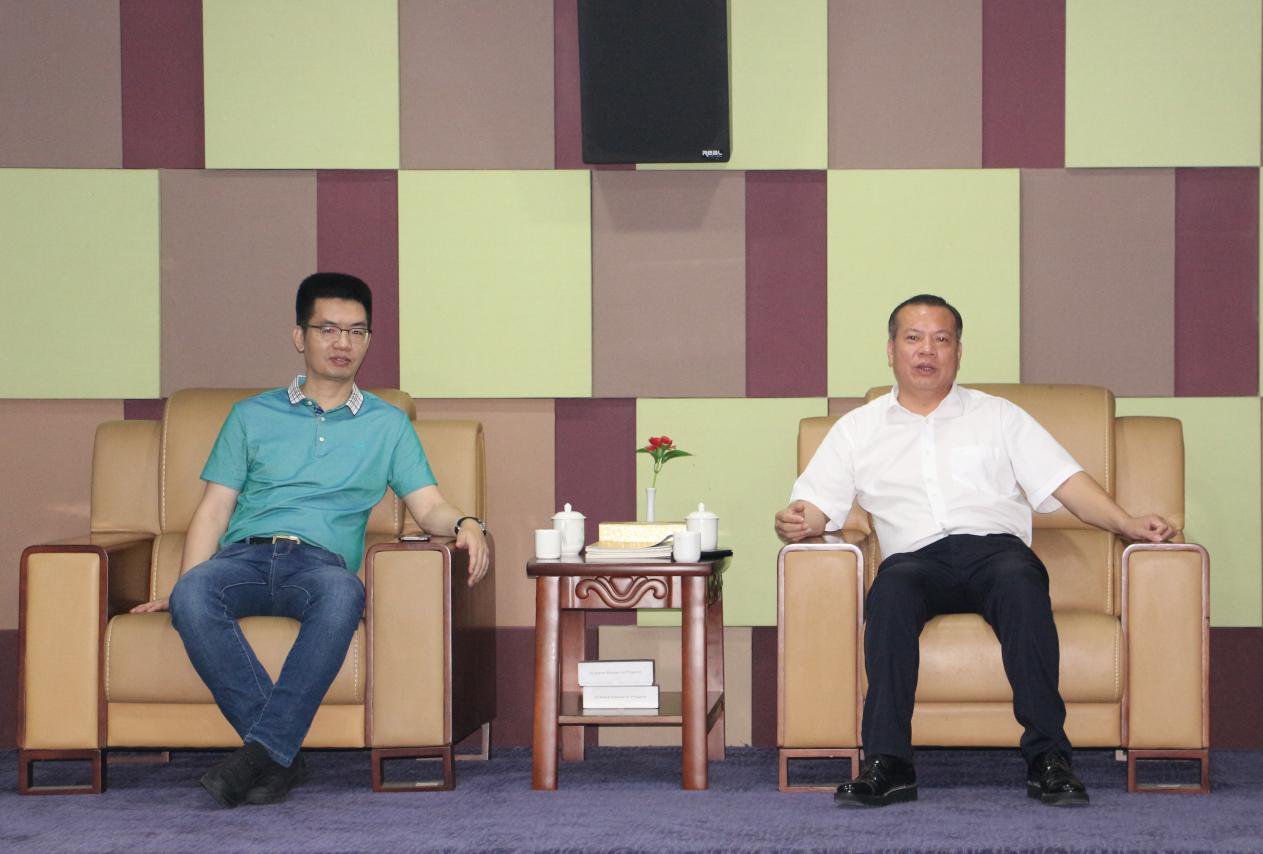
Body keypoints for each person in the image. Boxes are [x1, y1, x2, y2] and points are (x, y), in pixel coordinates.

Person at [774, 294, 1174, 809]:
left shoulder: (997, 416)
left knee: (1022, 585)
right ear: (891, 350)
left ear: (958, 352)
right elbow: (813, 504)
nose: (927, 350)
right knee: (889, 593)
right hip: (914, 559)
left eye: (941, 339)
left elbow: (1064, 480)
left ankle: (1049, 760)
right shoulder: (857, 429)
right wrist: (796, 520)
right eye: (913, 338)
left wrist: (1127, 524)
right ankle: (889, 764)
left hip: (996, 553)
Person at [131, 272, 490, 808]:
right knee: (193, 594)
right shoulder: (251, 415)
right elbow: (214, 509)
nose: (343, 342)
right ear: (300, 336)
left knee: (345, 593)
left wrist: (466, 523)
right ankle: (279, 755)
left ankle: (263, 755)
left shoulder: (388, 425)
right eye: (328, 329)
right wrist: (185, 586)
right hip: (244, 557)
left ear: (368, 340)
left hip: (320, 568)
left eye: (356, 331)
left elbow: (429, 506)